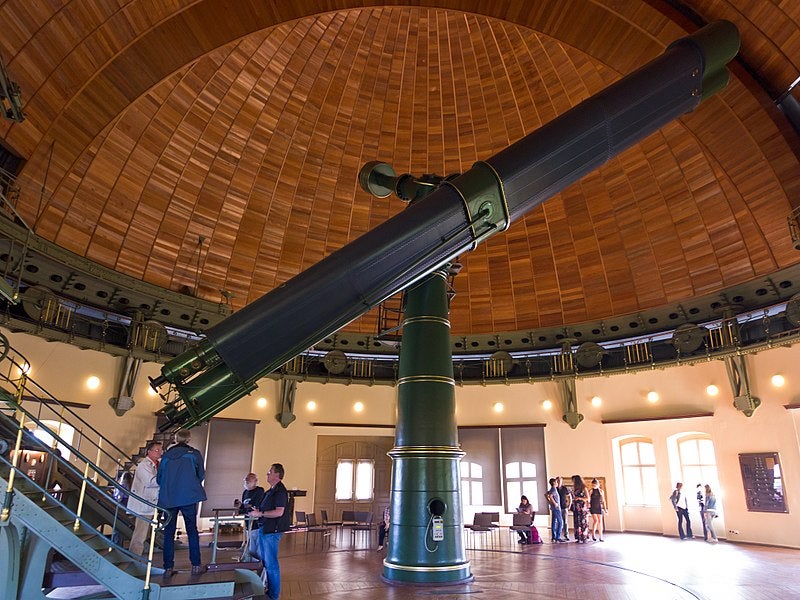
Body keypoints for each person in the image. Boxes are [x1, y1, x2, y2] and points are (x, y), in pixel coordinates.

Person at [157, 430, 207, 576]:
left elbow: (160, 478)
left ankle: (168, 568)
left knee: (168, 532)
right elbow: (201, 475)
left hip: (169, 498)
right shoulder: (194, 454)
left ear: (176, 439)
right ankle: (196, 565)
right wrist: (190, 485)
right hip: (188, 497)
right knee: (192, 530)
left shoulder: (166, 456)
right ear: (188, 439)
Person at [250, 463, 291, 600]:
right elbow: (263, 508)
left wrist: (260, 513)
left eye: (270, 472)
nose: (267, 474)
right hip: (265, 529)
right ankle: (268, 589)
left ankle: (273, 595)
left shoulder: (280, 491)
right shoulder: (270, 491)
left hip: (272, 531)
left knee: (271, 563)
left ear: (277, 475)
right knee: (266, 561)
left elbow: (279, 512)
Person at [126, 441, 162, 555]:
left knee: (146, 534)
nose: (159, 452)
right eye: (156, 450)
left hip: (152, 503)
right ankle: (134, 557)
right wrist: (166, 480)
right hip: (144, 505)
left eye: (160, 450)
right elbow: (149, 482)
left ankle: (140, 556)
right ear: (149, 452)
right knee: (140, 534)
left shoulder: (157, 464)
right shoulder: (144, 465)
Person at [239, 472, 265, 561]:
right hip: (248, 525)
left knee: (257, 550)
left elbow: (255, 506)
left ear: (255, 481)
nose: (246, 482)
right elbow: (243, 507)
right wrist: (240, 507)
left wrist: (246, 508)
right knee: (250, 548)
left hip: (256, 524)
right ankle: (251, 566)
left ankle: (259, 567)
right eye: (246, 480)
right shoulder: (245, 492)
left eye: (248, 480)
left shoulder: (260, 491)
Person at [111, 470, 133, 546]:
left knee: (117, 527)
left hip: (121, 505)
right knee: (122, 527)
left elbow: (117, 497)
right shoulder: (131, 487)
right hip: (127, 506)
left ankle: (116, 544)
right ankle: (118, 544)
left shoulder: (121, 486)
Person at [571, 475, 590, 543]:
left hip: (582, 507)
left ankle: (584, 537)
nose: (572, 482)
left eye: (573, 480)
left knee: (583, 522)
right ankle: (578, 537)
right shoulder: (575, 488)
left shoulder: (584, 488)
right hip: (576, 507)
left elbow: (588, 498)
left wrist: (579, 498)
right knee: (577, 521)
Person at [545, 478, 563, 543]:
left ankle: (554, 537)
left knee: (554, 522)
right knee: (560, 522)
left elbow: (546, 495)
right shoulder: (554, 489)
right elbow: (550, 495)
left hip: (554, 508)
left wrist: (549, 502)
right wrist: (555, 503)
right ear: (554, 483)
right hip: (556, 508)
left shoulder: (552, 489)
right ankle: (557, 537)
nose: (557, 483)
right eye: (556, 482)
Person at [556, 476, 572, 541]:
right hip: (557, 508)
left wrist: (569, 505)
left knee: (565, 522)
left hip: (564, 507)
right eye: (558, 481)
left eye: (560, 480)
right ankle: (558, 535)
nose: (559, 482)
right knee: (558, 522)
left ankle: (566, 535)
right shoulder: (555, 489)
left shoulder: (564, 488)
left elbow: (569, 497)